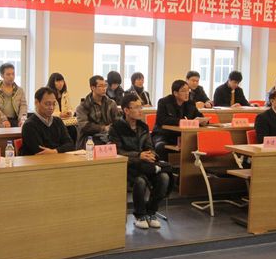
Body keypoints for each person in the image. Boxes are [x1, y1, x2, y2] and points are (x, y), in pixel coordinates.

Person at [109, 94, 172, 230]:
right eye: (136, 107)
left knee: (164, 177)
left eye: (140, 107)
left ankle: (151, 212)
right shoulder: (116, 127)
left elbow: (150, 146)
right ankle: (140, 215)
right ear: (126, 110)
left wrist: (150, 154)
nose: (140, 110)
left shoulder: (143, 126)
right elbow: (117, 151)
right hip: (128, 166)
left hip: (146, 165)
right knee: (140, 181)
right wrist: (139, 155)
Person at [152, 79, 206, 160]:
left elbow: (200, 116)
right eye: (183, 91)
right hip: (164, 134)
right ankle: (163, 166)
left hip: (183, 136)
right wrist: (180, 121)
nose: (187, 93)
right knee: (160, 146)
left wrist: (204, 121)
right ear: (175, 93)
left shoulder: (190, 103)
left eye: (188, 90)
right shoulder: (164, 102)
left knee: (198, 144)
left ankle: (191, 167)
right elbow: (161, 119)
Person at [21, 87, 75, 155]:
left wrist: (55, 151)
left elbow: (70, 145)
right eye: (47, 104)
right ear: (36, 102)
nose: (51, 108)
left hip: (58, 159)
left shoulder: (58, 121)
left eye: (54, 104)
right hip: (37, 161)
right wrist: (60, 149)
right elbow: (40, 151)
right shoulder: (29, 125)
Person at [76, 75, 120, 148]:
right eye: (101, 86)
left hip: (109, 136)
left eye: (105, 85)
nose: (104, 88)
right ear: (92, 87)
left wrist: (111, 128)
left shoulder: (111, 103)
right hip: (90, 138)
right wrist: (103, 128)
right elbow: (84, 126)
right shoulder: (83, 106)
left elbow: (117, 120)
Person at [0, 62, 27, 128]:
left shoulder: (20, 90)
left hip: (16, 120)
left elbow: (23, 105)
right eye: (8, 74)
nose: (11, 77)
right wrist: (4, 120)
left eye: (13, 74)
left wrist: (22, 119)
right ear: (2, 75)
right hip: (0, 121)